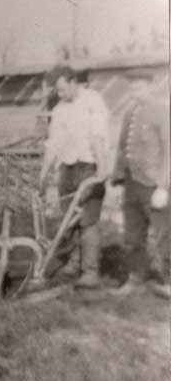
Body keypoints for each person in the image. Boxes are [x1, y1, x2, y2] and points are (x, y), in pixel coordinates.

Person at [38, 64, 110, 289]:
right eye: (56, 91)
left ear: (72, 82)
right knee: (68, 220)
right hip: (67, 168)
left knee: (87, 220)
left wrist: (102, 168)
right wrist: (43, 174)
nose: (59, 94)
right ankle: (72, 264)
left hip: (89, 165)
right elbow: (53, 144)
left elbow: (98, 136)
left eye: (62, 89)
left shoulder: (93, 101)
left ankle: (90, 272)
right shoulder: (59, 109)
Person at [109, 70, 170, 299]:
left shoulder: (162, 111)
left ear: (150, 87)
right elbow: (122, 147)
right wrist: (117, 177)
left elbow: (169, 151)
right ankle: (136, 278)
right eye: (132, 87)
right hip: (131, 182)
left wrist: (163, 187)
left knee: (164, 234)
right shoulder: (130, 114)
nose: (135, 91)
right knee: (132, 235)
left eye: (139, 87)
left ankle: (169, 280)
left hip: (153, 183)